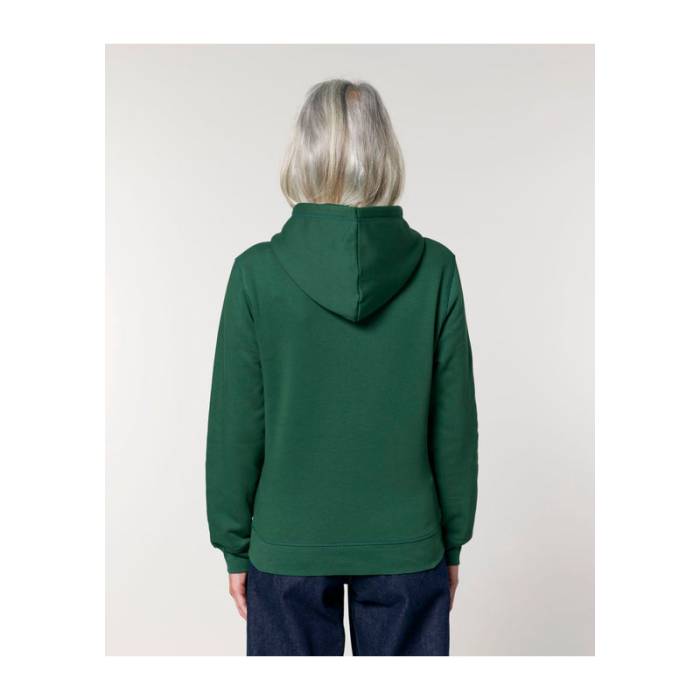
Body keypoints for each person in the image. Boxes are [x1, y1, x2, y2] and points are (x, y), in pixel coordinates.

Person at [206, 79, 478, 656]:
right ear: (384, 154)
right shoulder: (435, 269)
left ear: (303, 153)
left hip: (287, 545)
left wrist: (235, 547)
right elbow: (454, 425)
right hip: (408, 544)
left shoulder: (256, 273)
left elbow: (235, 427)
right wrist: (452, 541)